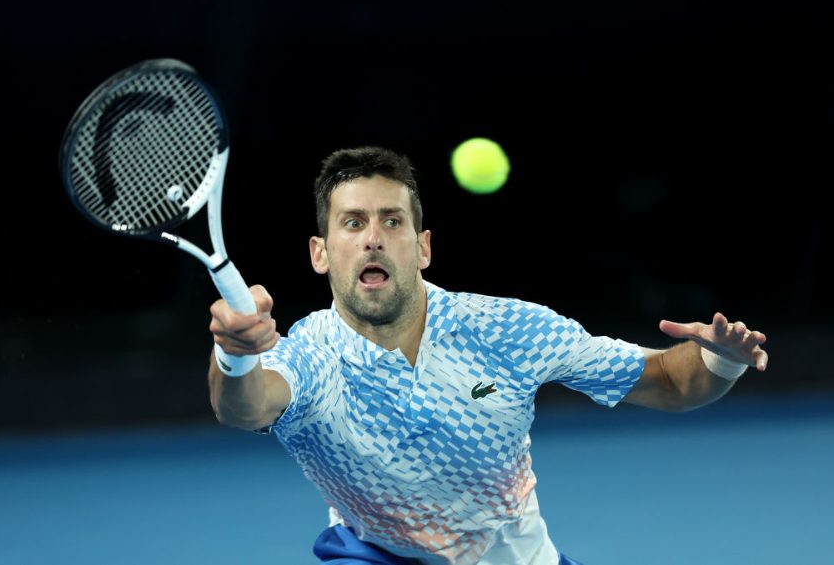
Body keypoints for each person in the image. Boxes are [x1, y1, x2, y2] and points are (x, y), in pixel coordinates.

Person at [207, 146, 768, 565]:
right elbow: (244, 406)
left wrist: (720, 359)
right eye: (353, 223)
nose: (373, 238)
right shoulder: (311, 356)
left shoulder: (506, 331)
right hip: (376, 553)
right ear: (321, 253)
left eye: (392, 221)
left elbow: (671, 380)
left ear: (422, 247)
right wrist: (234, 354)